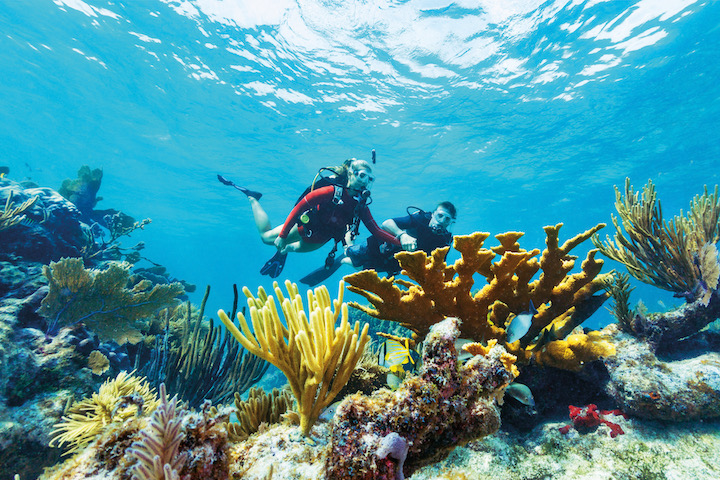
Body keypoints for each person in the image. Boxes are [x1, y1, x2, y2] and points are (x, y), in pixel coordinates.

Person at [220, 158, 399, 278]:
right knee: (266, 238)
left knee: (290, 249)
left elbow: (375, 231)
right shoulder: (331, 191)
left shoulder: (360, 205)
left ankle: (282, 251)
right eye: (361, 175)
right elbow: (299, 208)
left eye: (370, 179)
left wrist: (401, 242)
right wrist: (282, 236)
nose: (365, 181)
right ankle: (253, 198)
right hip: (304, 227)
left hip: (321, 239)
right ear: (351, 174)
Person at [300, 201, 457, 286]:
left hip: (394, 263)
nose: (441, 221)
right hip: (378, 247)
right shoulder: (419, 219)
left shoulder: (445, 240)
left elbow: (439, 266)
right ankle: (347, 239)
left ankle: (346, 255)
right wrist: (402, 235)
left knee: (362, 269)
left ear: (451, 223)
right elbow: (386, 223)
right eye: (440, 216)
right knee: (351, 254)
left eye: (447, 219)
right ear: (433, 213)